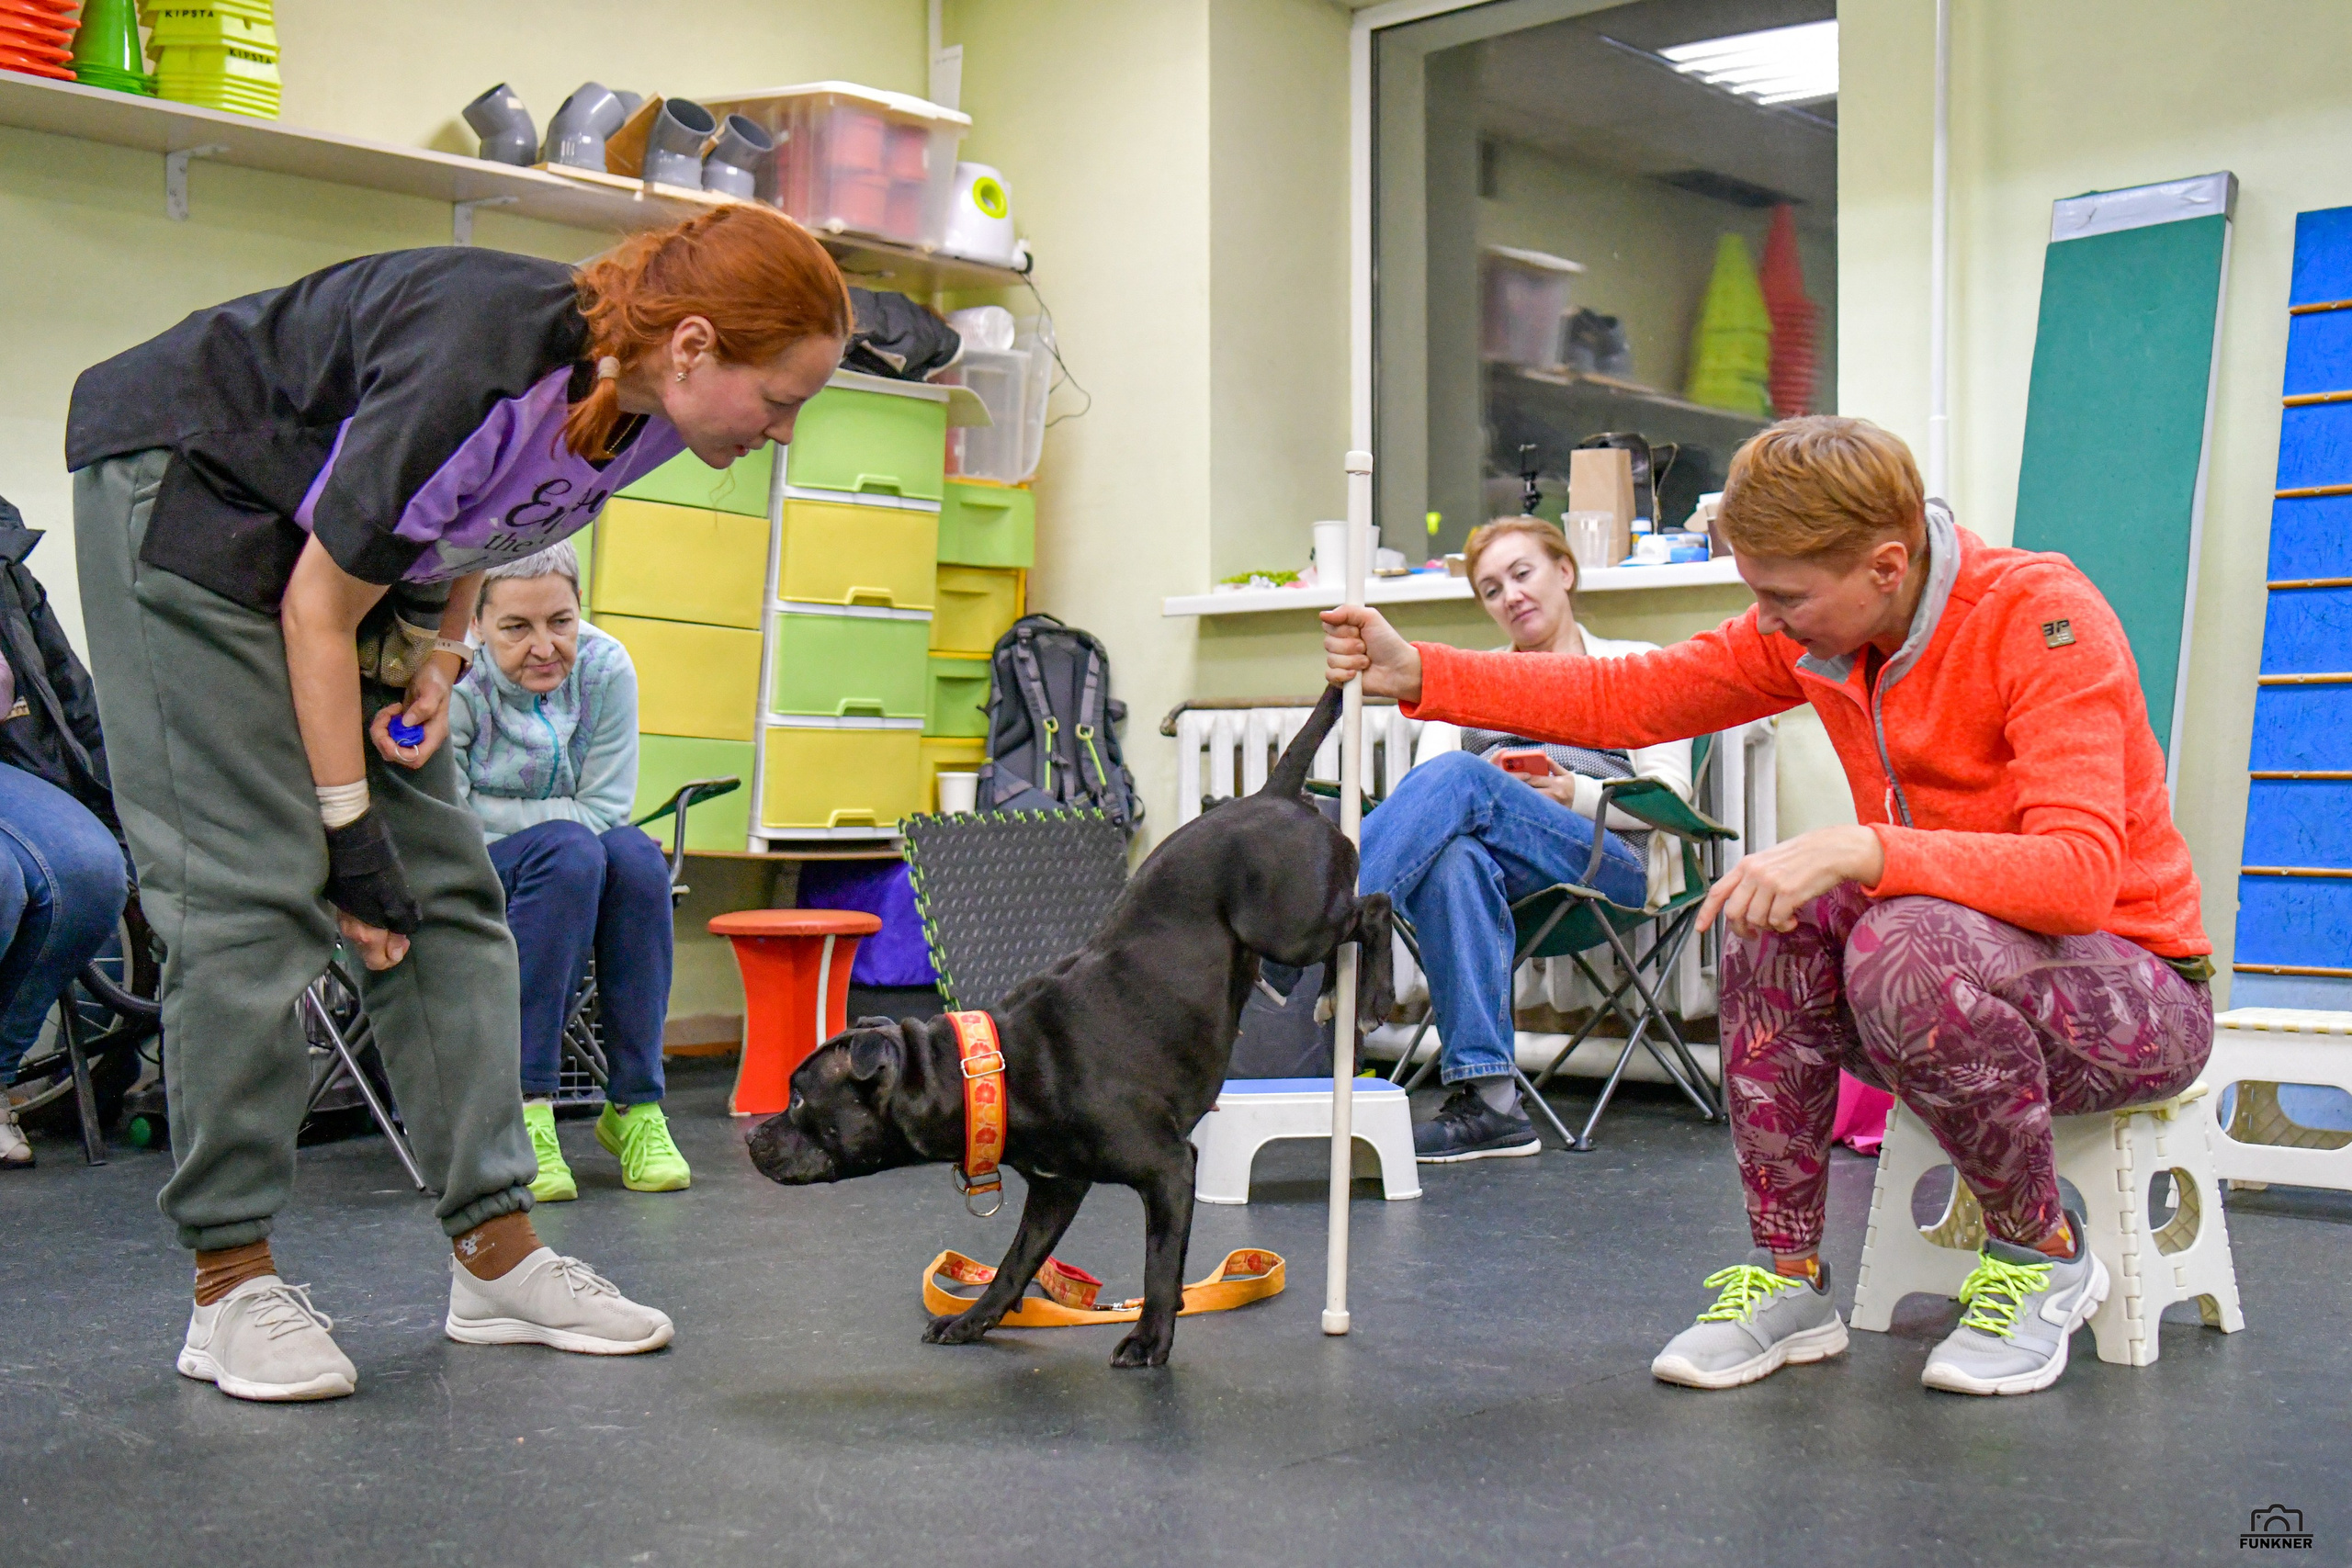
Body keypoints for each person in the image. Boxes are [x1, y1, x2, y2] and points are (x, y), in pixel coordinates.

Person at [66, 204, 851, 1401]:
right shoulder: (478, 363)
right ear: (694, 345)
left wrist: (440, 656)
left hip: (333, 537)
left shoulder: (647, 411)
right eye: (780, 399)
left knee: (443, 887)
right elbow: (318, 609)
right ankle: (230, 1283)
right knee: (253, 898)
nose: (783, 431)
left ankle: (497, 1254)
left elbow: (500, 504)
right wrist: (346, 832)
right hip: (190, 481)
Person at [1323, 417, 2211, 1398]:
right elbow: (1637, 696)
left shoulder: (2040, 615)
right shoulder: (1819, 629)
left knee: (1897, 933)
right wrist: (1424, 673)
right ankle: (1790, 1278)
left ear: (1885, 565)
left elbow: (2076, 877)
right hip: (1946, 982)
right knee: (1763, 911)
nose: (1770, 621)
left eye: (1786, 597)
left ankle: (2043, 1254)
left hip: (2137, 1000)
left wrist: (1863, 847)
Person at [1357, 517, 1691, 1162]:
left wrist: (1575, 793)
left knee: (1463, 777)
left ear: (1564, 571)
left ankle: (1306, 928)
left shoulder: (1633, 666)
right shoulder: (1471, 682)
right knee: (1452, 854)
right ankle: (1491, 1103)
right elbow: (1421, 804)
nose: (1510, 596)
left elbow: (1670, 801)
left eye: (1521, 573)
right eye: (1491, 589)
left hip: (1608, 862)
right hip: (1497, 871)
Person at [447, 540, 689, 1202]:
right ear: (476, 622)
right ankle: (522, 1109)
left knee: (635, 857)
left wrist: (515, 814)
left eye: (560, 621)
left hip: (574, 865)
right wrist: (554, 827)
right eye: (515, 628)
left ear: (580, 607)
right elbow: (451, 814)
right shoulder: (455, 678)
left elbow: (607, 811)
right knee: (572, 851)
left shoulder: (607, 666)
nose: (544, 647)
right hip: (468, 869)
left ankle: (636, 1106)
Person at [0, 494, 128, 1169]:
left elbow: (73, 701)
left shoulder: (6, 559)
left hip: (12, 767)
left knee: (91, 868)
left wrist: (121, 819)